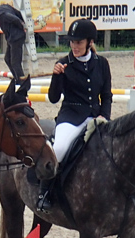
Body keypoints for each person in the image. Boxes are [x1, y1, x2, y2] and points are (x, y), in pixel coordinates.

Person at [37, 18, 112, 212]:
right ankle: (44, 192)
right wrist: (56, 77)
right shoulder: (63, 64)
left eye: (78, 42)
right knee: (60, 149)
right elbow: (53, 98)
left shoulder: (102, 64)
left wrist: (105, 116)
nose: (74, 46)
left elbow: (106, 95)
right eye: (72, 42)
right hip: (71, 117)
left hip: (97, 116)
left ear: (90, 42)